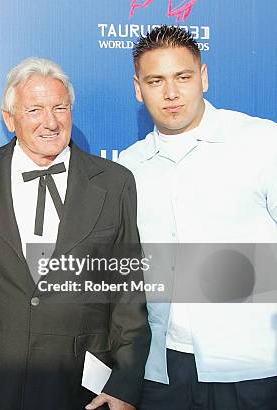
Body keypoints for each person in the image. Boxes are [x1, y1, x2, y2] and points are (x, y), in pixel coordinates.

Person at [0, 58, 150, 410]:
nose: (51, 121)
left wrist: (126, 382)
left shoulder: (114, 182)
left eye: (60, 107)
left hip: (81, 385)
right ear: (9, 118)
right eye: (34, 110)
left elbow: (128, 292)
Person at [118, 25, 277, 409]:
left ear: (203, 77)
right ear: (139, 88)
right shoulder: (130, 165)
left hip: (252, 368)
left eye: (183, 77)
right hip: (163, 371)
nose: (171, 93)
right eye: (156, 81)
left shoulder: (262, 143)